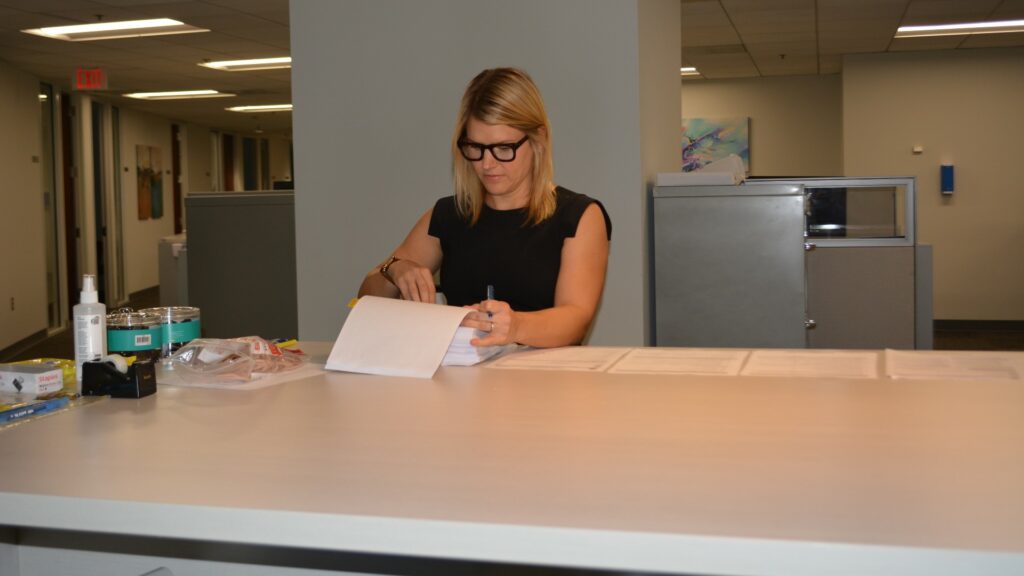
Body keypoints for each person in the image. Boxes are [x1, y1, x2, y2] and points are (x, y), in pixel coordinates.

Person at [358, 68, 611, 348]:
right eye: (475, 148)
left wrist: (516, 326)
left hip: (546, 383)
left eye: (503, 148)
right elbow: (367, 297)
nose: (487, 164)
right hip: (462, 383)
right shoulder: (448, 215)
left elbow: (576, 319)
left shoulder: (578, 217)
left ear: (539, 139)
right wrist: (394, 269)